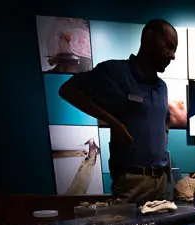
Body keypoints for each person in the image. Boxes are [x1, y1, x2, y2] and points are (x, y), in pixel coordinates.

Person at [59, 19, 178, 204]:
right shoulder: (116, 72)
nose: (173, 56)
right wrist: (114, 123)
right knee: (125, 223)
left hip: (161, 182)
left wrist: (164, 134)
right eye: (169, 46)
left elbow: (165, 119)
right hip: (131, 182)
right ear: (149, 38)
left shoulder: (161, 87)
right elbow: (68, 90)